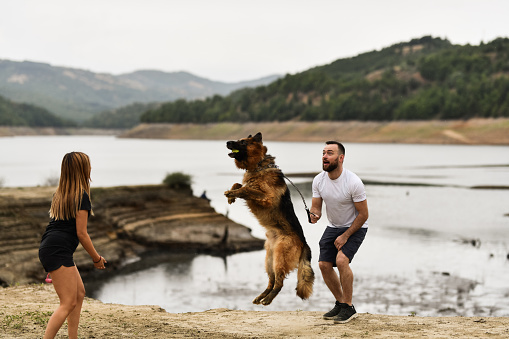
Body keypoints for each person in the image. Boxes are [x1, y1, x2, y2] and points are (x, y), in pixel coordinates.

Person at [38, 152, 107, 339]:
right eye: (88, 165)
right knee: (67, 303)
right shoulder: (81, 197)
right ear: (82, 169)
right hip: (57, 250)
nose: (90, 168)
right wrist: (96, 258)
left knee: (79, 293)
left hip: (52, 247)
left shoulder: (60, 194)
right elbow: (82, 234)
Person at [310, 141, 369, 324]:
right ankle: (341, 303)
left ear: (340, 158)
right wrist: (314, 215)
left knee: (341, 260)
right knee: (323, 264)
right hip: (334, 226)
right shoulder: (318, 180)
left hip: (356, 225)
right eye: (323, 153)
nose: (325, 156)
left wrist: (345, 236)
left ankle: (349, 308)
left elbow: (364, 214)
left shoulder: (353, 182)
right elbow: (316, 208)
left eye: (330, 153)